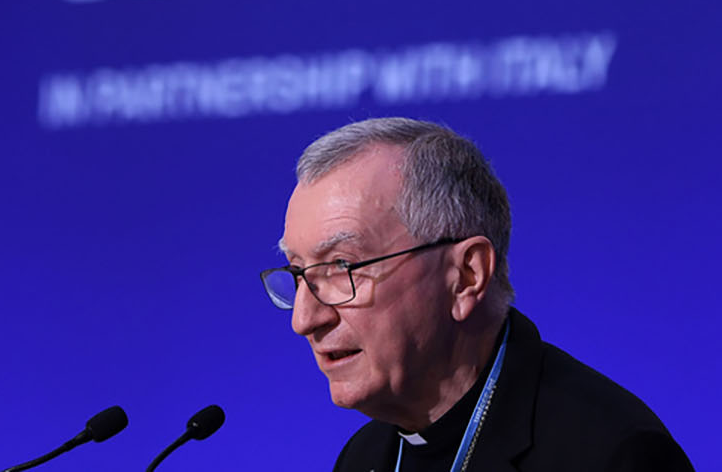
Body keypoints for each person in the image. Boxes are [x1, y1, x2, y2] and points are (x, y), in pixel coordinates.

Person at [260, 118, 694, 471]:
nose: (305, 320)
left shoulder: (610, 455)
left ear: (466, 276)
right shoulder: (364, 459)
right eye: (299, 274)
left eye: (342, 267)